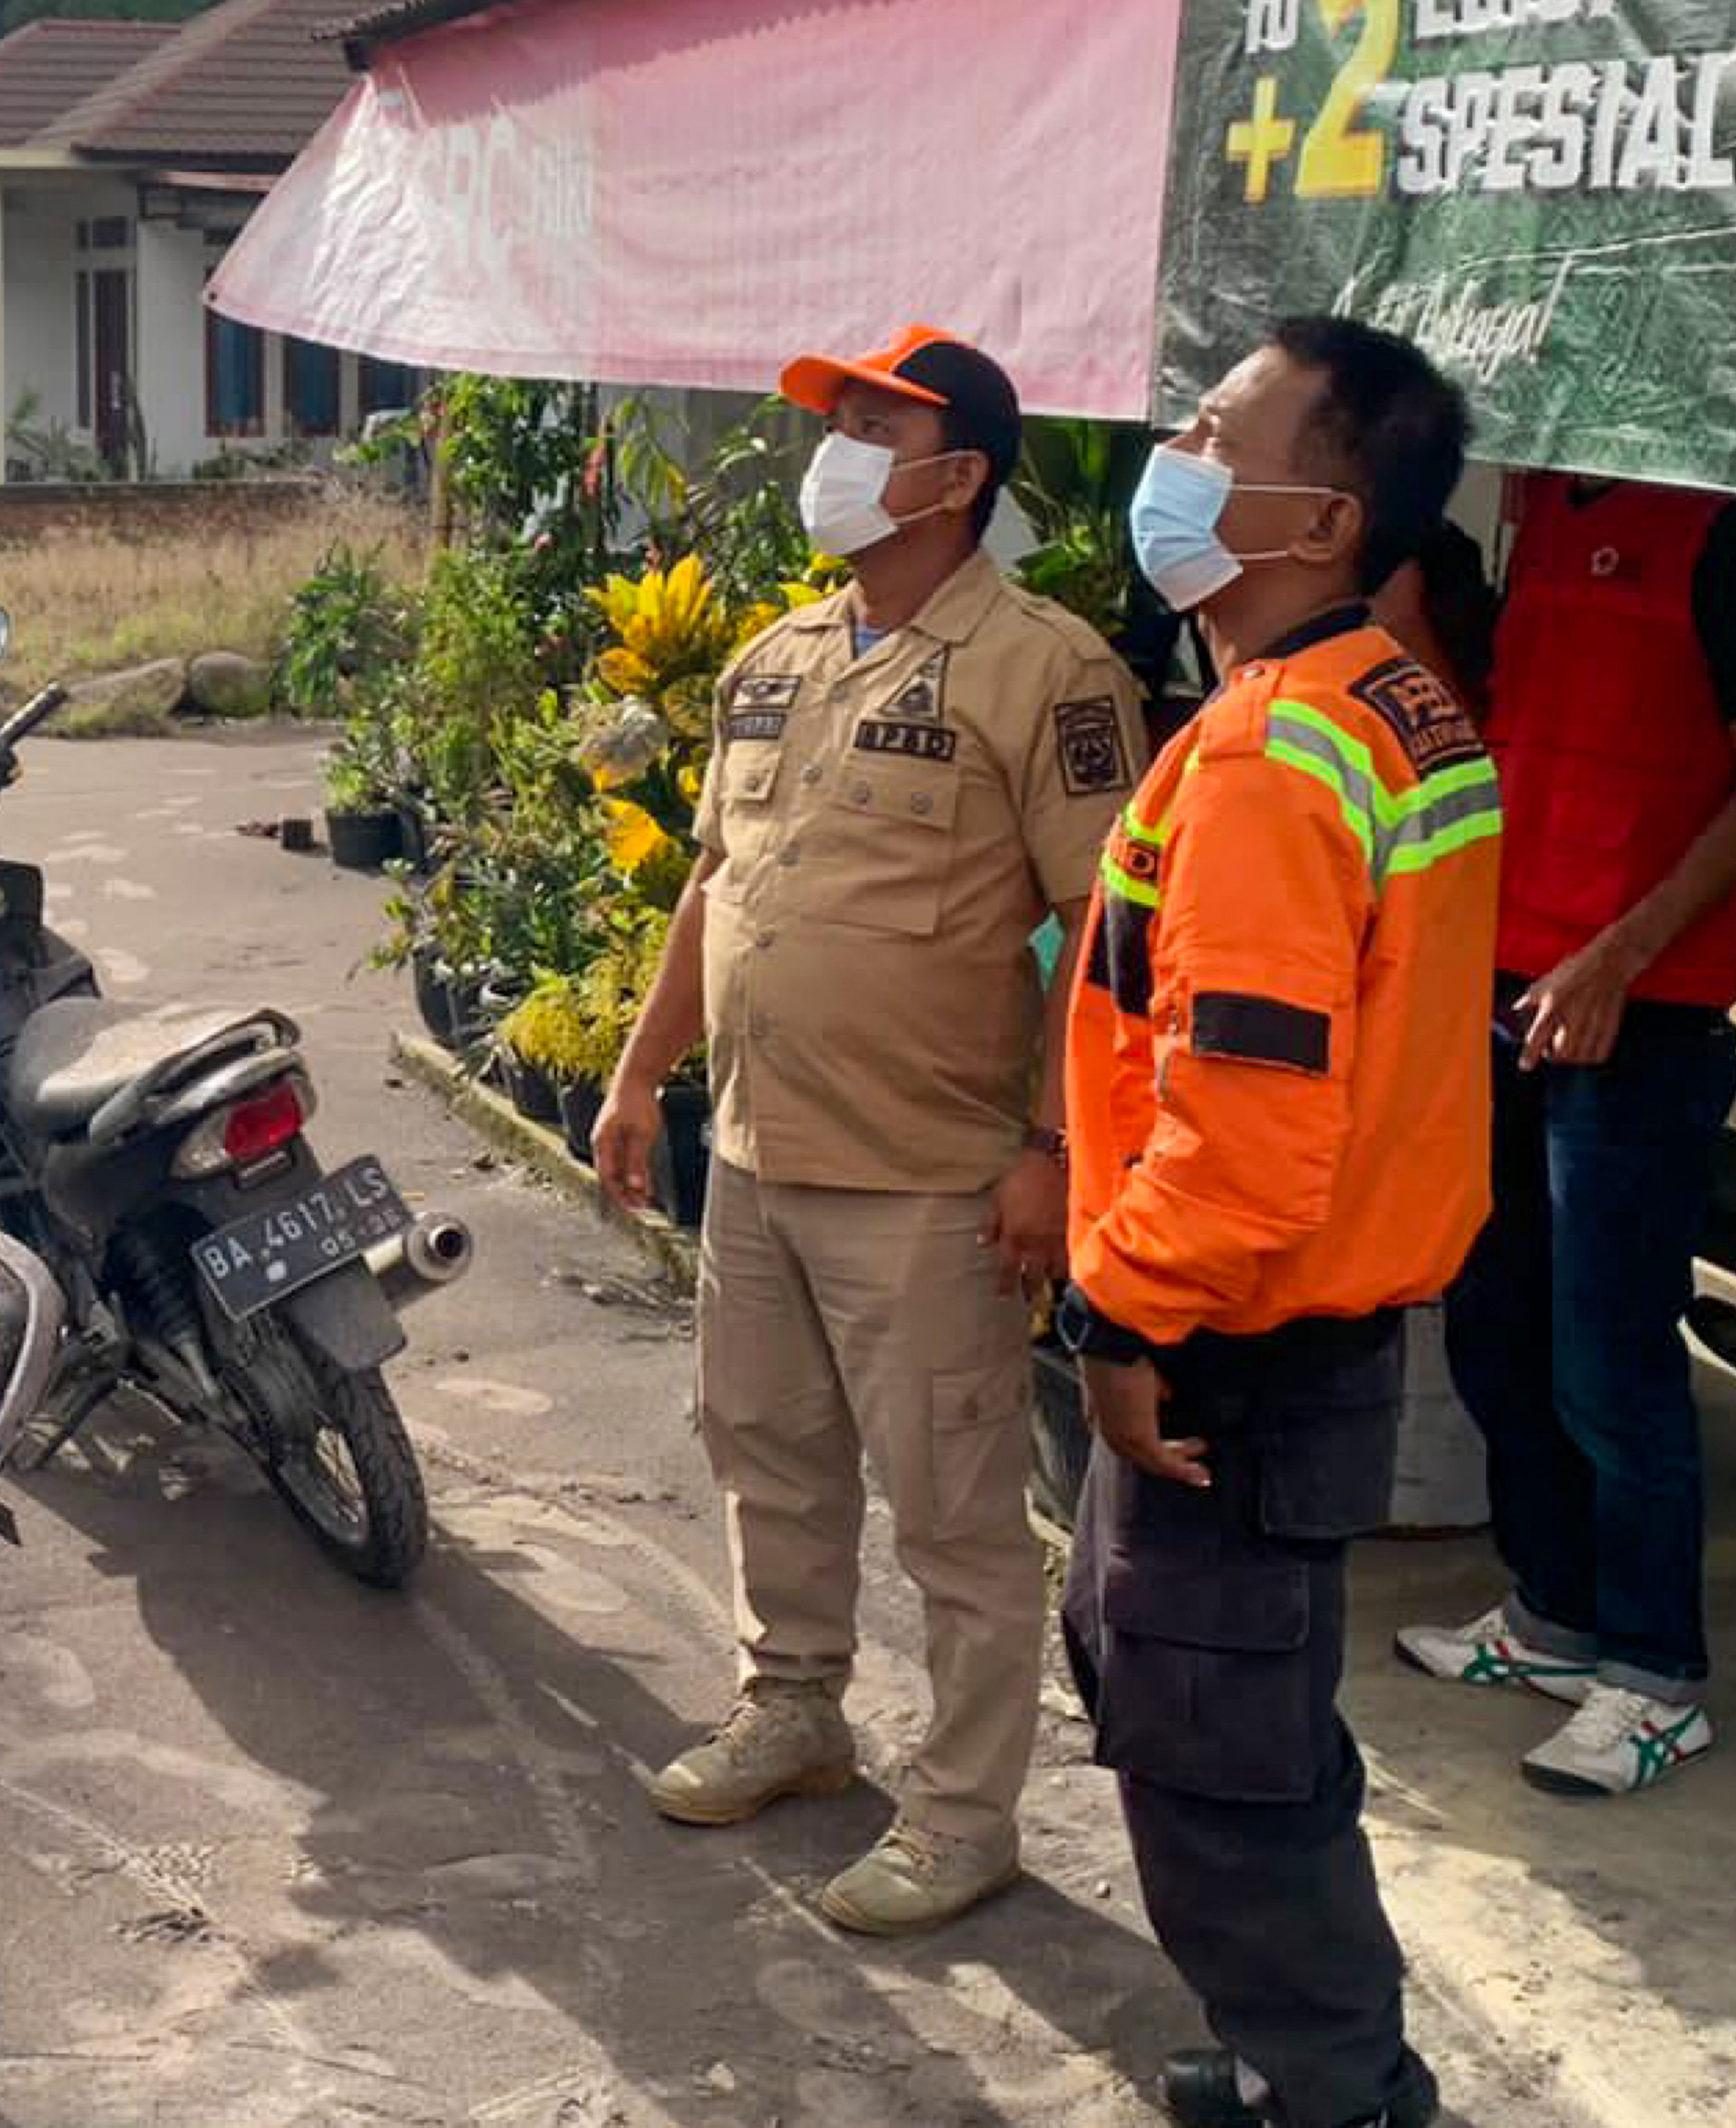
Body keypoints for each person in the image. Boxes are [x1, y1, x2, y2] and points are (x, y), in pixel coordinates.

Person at [592, 326, 1149, 1936]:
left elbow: (1096, 932)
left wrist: (1052, 1148)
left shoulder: (1044, 670)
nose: (828, 450)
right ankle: (795, 1708)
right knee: (765, 1455)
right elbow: (715, 883)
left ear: (958, 474)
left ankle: (964, 1810)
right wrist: (639, 1078)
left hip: (931, 1177)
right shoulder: (772, 657)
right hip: (759, 1159)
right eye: (829, 423)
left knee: (957, 1512)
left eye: (867, 427)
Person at [1056, 315, 1492, 2128]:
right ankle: (1301, 2061)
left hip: (1230, 1342)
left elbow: (1243, 1132)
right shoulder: (1396, 704)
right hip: (1308, 1330)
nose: (1173, 451)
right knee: (1244, 1720)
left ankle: (1328, 2091)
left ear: (1318, 518)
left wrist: (1121, 1322)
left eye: (1214, 430)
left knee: (1211, 1751)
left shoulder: (1276, 756)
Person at [1394, 470, 1736, 1797]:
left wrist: (1623, 955)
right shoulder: (1538, 503)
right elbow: (1509, 732)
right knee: (1495, 1314)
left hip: (1643, 1007)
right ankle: (1555, 1614)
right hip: (1506, 975)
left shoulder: (1715, 521)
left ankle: (1655, 1678)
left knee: (1610, 1353)